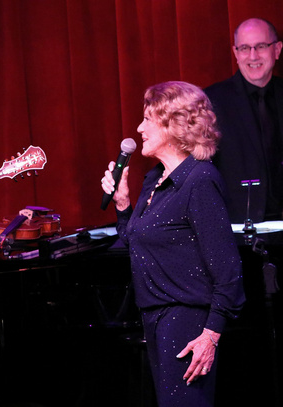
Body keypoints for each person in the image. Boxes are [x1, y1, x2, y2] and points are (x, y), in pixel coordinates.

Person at [100, 81, 245, 406]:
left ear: (175, 124)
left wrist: (210, 335)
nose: (138, 128)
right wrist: (123, 205)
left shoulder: (199, 180)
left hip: (187, 322)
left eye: (148, 119)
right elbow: (135, 244)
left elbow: (228, 270)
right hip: (154, 318)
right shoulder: (155, 179)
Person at [204, 18, 283, 223]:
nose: (253, 55)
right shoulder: (212, 101)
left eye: (261, 46)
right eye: (245, 48)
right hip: (238, 227)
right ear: (235, 53)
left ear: (277, 49)